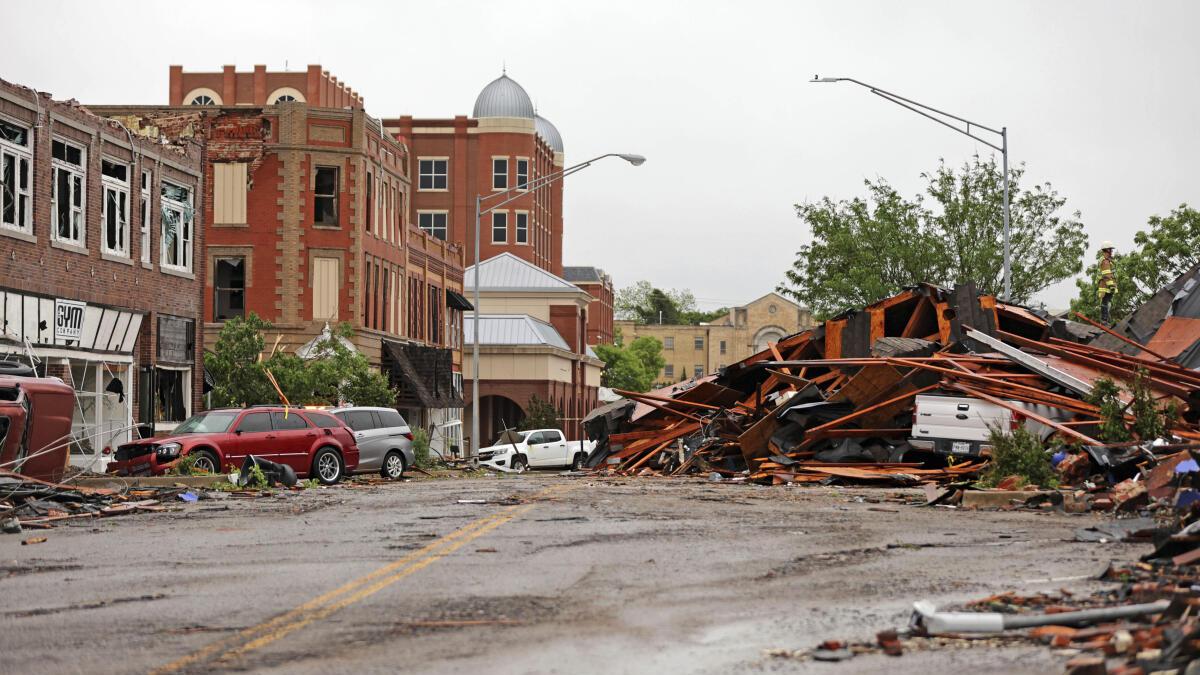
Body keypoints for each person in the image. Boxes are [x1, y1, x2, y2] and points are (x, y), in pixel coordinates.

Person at [1097, 241, 1117, 323]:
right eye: (1110, 250)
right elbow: (1107, 275)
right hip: (1106, 287)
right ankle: (1104, 320)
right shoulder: (1105, 261)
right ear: (1107, 250)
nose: (1112, 251)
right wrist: (1112, 286)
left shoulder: (1107, 260)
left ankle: (1105, 320)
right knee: (1105, 303)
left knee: (1106, 303)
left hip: (1106, 286)